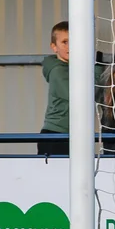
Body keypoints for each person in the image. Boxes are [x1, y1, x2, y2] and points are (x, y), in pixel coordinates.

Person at [40, 21, 71, 156]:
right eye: (65, 42)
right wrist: (97, 69)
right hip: (56, 136)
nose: (70, 46)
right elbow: (79, 97)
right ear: (54, 47)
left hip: (69, 134)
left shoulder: (70, 68)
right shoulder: (58, 70)